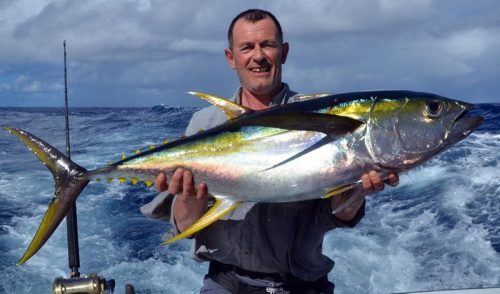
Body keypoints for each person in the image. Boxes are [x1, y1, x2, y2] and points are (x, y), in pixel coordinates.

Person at [141, 9, 399, 294]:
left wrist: (355, 190)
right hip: (225, 284)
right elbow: (186, 224)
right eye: (247, 47)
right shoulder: (205, 123)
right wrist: (189, 196)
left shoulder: (318, 115)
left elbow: (339, 215)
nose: (258, 56)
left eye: (268, 45)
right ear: (231, 58)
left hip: (302, 285)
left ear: (284, 52)